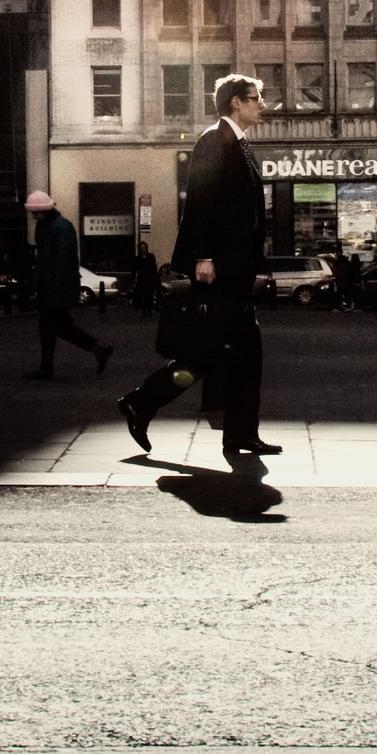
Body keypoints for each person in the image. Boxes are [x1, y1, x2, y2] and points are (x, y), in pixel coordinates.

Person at [120, 74, 277, 463]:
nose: (261, 105)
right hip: (219, 268)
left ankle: (240, 434)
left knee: (238, 354)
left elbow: (247, 214)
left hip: (236, 268)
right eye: (255, 98)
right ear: (236, 103)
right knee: (214, 353)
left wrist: (255, 265)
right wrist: (203, 256)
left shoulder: (239, 144)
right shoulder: (214, 141)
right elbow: (201, 202)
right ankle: (142, 402)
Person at [23, 190, 110, 380]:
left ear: (41, 211)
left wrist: (48, 285)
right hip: (55, 286)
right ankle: (97, 349)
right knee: (60, 327)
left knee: (51, 327)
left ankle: (49, 367)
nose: (33, 216)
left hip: (56, 287)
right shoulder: (57, 227)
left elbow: (61, 260)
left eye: (34, 212)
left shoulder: (56, 228)